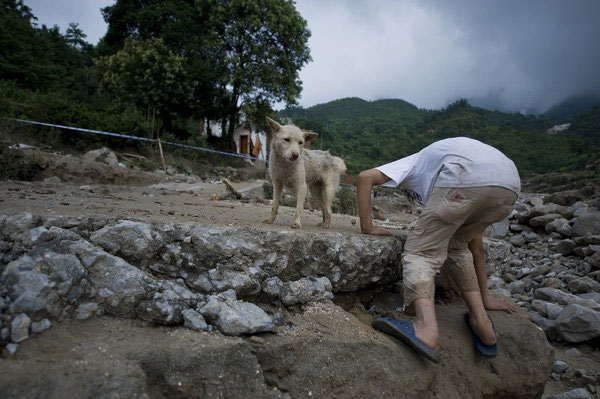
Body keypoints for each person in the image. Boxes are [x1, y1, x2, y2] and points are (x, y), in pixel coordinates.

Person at [357, 137, 520, 363]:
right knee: (456, 246)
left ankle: (425, 328)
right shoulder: (440, 163)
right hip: (509, 185)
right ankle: (482, 323)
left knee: (420, 250)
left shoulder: (412, 163)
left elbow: (365, 178)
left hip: (466, 176)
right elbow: (476, 247)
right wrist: (485, 298)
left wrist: (368, 227)